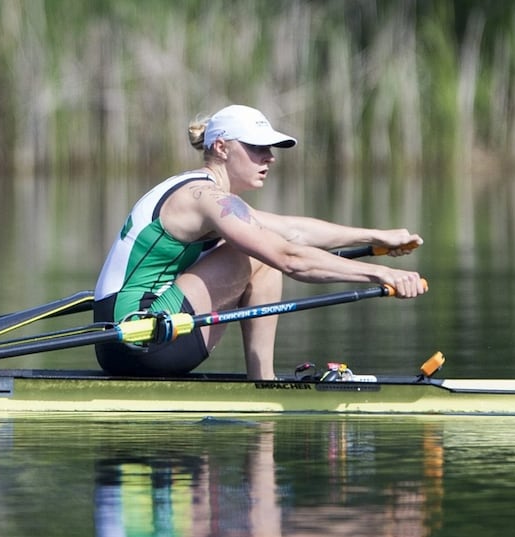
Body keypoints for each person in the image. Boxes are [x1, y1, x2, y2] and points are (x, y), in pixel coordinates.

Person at [93, 104, 426, 380]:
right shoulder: (204, 197)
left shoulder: (209, 195)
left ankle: (263, 381)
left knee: (263, 248)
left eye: (269, 149)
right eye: (256, 147)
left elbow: (293, 231)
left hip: (133, 339)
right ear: (221, 147)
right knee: (261, 257)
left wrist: (376, 237)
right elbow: (290, 258)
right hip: (138, 336)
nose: (269, 157)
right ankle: (263, 383)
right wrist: (381, 274)